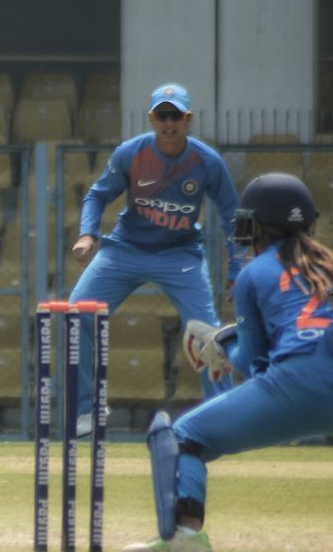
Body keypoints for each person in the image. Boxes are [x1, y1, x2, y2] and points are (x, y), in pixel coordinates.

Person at [120, 172, 333, 552]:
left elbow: (254, 365)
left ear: (254, 224)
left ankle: (186, 536)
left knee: (184, 437)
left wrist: (221, 346)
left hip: (300, 385)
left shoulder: (253, 272)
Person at [69, 82, 241, 435]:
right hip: (125, 250)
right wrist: (89, 235)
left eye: (175, 115)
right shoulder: (130, 154)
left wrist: (237, 270)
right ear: (151, 118)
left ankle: (225, 418)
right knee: (77, 313)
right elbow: (97, 195)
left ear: (188, 119)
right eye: (162, 115)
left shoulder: (207, 161)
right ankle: (87, 408)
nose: (168, 123)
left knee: (209, 336)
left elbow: (232, 215)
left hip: (180, 256)